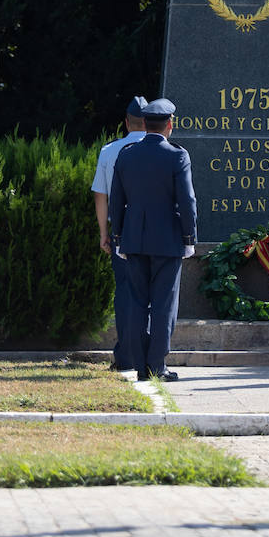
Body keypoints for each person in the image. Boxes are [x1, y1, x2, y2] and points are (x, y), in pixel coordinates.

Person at [109, 98, 197, 382]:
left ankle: (140, 365)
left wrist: (118, 237)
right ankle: (156, 365)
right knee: (163, 304)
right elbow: (187, 201)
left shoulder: (127, 154)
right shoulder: (177, 156)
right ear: (170, 125)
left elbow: (116, 202)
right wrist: (189, 236)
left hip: (133, 240)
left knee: (136, 303)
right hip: (168, 241)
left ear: (144, 124)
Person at [90, 95, 147, 370]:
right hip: (154, 231)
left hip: (121, 231)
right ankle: (149, 355)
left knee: (125, 293)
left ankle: (125, 356)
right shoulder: (163, 149)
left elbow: (101, 197)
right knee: (151, 293)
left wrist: (104, 233)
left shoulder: (109, 151)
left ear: (126, 122)